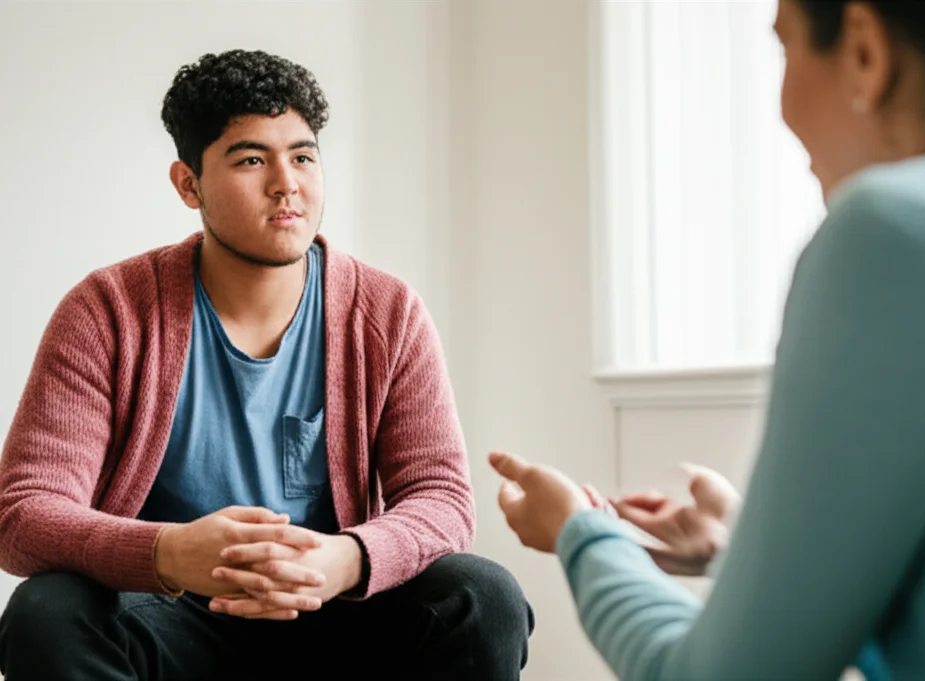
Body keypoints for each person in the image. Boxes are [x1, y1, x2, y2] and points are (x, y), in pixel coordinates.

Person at [490, 1, 925, 679]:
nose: (779, 107)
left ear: (865, 49)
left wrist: (578, 530)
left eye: (785, 49)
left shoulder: (898, 234)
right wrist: (748, 548)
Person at [0, 49, 532, 680]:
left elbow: (442, 500)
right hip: (169, 617)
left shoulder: (388, 312)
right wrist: (169, 552)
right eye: (252, 159)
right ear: (188, 183)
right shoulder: (107, 311)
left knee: (483, 594)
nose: (287, 183)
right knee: (46, 610)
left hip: (334, 611)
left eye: (303, 156)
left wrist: (347, 558)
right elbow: (24, 514)